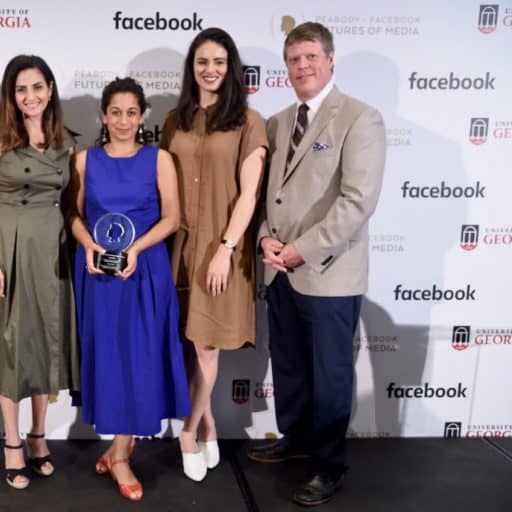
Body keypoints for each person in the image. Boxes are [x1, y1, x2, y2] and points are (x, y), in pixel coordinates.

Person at [248, 22, 386, 506]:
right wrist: (265, 239)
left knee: (330, 375)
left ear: (330, 60)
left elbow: (356, 202)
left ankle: (329, 464)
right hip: (280, 269)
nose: (302, 66)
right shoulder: (278, 121)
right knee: (289, 365)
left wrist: (302, 249)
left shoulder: (360, 118)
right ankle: (296, 438)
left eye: (310, 57)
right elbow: (266, 195)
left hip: (329, 272)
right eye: (294, 59)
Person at [70, 77, 191, 502]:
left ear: (143, 117)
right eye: (116, 112)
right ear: (103, 116)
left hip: (144, 271)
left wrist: (136, 249)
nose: (124, 120)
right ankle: (118, 448)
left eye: (132, 113)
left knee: (138, 358)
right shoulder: (84, 160)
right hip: (99, 275)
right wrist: (88, 245)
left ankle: (120, 453)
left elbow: (172, 218)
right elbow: (74, 216)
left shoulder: (160, 159)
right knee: (110, 359)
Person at [159, 27, 268, 482]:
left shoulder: (249, 120)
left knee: (206, 344)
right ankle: (209, 426)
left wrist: (226, 248)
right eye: (202, 61)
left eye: (219, 62)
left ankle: (187, 432)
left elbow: (250, 194)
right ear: (192, 67)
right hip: (177, 246)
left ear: (231, 67)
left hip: (221, 249)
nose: (210, 70)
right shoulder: (175, 120)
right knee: (188, 341)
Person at [0, 55, 79, 490]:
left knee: (44, 342)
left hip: (52, 252)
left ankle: (38, 435)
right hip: (9, 251)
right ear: (11, 96)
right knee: (11, 346)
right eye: (21, 89)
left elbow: (70, 204)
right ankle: (12, 443)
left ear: (50, 90)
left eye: (37, 87)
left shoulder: (66, 142)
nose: (30, 96)